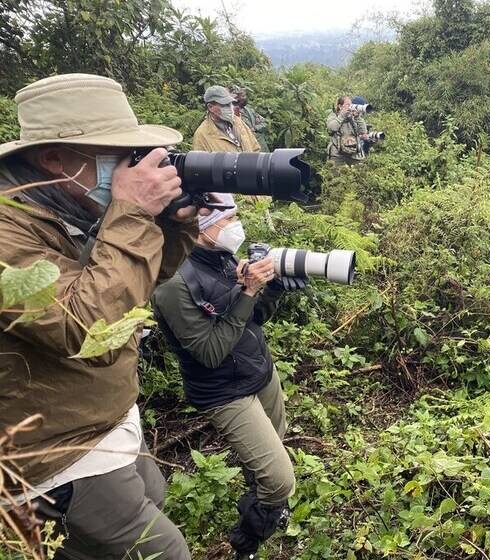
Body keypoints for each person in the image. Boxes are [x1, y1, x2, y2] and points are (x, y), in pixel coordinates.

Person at [0, 73, 201, 559]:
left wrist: (169, 229)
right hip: (59, 455)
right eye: (118, 157)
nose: (132, 168)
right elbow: (84, 326)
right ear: (55, 160)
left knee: (153, 501)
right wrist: (131, 213)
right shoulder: (7, 231)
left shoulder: (60, 205)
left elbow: (128, 289)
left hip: (105, 422)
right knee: (166, 552)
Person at [151, 198, 304, 560]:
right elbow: (209, 352)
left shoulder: (223, 257)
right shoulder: (173, 282)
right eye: (231, 217)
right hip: (225, 392)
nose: (238, 224)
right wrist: (248, 291)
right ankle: (245, 545)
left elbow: (251, 320)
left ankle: (266, 506)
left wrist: (273, 289)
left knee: (271, 456)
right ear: (203, 224)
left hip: (259, 371)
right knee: (279, 479)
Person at [192, 85, 260, 153]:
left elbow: (255, 148)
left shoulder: (237, 121)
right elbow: (200, 162)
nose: (231, 108)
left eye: (231, 103)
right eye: (225, 105)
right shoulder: (202, 135)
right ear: (210, 107)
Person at [326, 95, 367, 165]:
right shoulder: (334, 116)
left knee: (359, 173)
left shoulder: (354, 116)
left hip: (354, 153)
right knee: (335, 174)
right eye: (347, 105)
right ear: (340, 106)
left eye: (351, 105)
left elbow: (363, 132)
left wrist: (357, 117)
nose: (350, 107)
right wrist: (342, 116)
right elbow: (331, 128)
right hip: (337, 154)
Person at [229, 85, 270, 152]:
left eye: (245, 95)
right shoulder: (231, 112)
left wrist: (255, 128)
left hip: (262, 147)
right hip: (247, 149)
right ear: (236, 98)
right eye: (243, 96)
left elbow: (265, 123)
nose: (245, 98)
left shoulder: (249, 110)